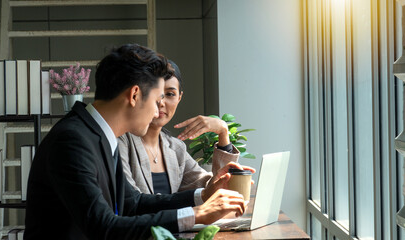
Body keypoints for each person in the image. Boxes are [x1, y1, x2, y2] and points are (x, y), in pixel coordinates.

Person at [24, 44, 254, 240]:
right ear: (134, 95)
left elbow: (133, 204)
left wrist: (203, 195)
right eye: (157, 100)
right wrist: (197, 214)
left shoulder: (99, 134)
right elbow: (103, 227)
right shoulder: (72, 140)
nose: (157, 111)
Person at [118, 60, 239, 194]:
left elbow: (212, 186)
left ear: (179, 98)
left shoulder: (176, 148)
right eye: (155, 93)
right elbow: (132, 202)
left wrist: (223, 131)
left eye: (170, 94)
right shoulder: (121, 141)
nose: (161, 102)